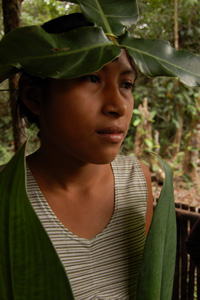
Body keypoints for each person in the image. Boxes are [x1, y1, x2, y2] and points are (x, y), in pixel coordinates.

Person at [1, 13, 153, 299]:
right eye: (92, 78)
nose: (118, 106)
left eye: (126, 84)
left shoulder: (136, 182)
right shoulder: (6, 194)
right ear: (35, 98)